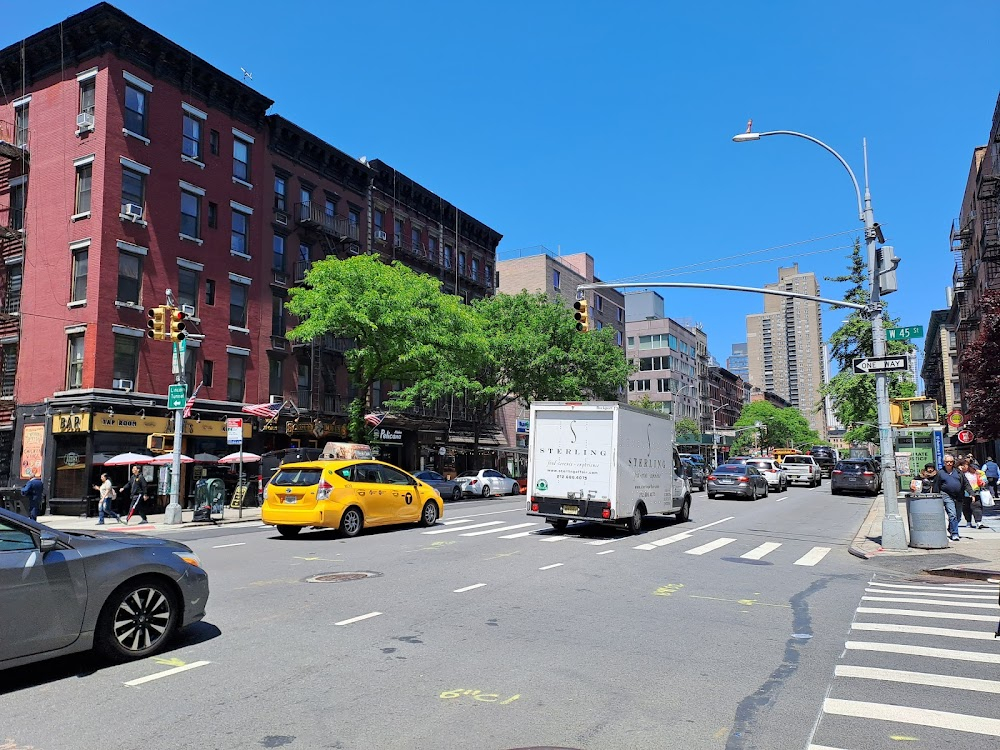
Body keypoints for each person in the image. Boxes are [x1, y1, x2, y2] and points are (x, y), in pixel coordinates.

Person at [933, 454, 969, 542]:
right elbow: (936, 485)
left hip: (958, 496)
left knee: (958, 516)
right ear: (944, 463)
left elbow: (965, 483)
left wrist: (971, 493)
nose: (949, 463)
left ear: (953, 462)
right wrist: (935, 497)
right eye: (947, 462)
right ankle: (955, 533)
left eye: (951, 462)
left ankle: (951, 528)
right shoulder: (940, 473)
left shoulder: (958, 472)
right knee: (952, 514)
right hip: (946, 495)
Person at [958, 458, 985, 530]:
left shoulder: (977, 473)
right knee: (966, 508)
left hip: (976, 493)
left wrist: (983, 481)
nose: (973, 469)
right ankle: (968, 522)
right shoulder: (962, 473)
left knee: (977, 507)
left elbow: (984, 478)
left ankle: (978, 522)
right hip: (965, 494)